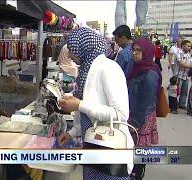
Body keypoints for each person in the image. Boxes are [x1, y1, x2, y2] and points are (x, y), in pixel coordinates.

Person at [58, 27, 134, 180]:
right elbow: (89, 116)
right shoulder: (87, 71)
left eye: (73, 50)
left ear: (85, 47)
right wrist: (72, 133)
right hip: (93, 147)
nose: (71, 56)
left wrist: (79, 105)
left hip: (111, 152)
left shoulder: (109, 68)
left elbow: (121, 114)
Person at [127, 38, 161, 180]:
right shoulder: (137, 68)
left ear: (147, 51)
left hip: (141, 118)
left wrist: (135, 122)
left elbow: (145, 103)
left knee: (139, 155)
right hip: (134, 114)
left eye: (139, 50)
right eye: (133, 50)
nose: (134, 53)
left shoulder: (149, 74)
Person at [177, 40, 192, 110]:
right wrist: (191, 67)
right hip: (179, 76)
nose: (189, 47)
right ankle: (173, 105)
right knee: (176, 92)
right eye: (188, 46)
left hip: (186, 76)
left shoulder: (189, 54)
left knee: (184, 92)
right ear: (183, 45)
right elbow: (181, 64)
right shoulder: (179, 53)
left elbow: (190, 64)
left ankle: (182, 104)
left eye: (190, 46)